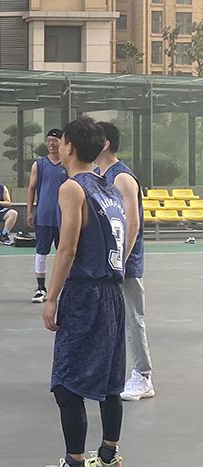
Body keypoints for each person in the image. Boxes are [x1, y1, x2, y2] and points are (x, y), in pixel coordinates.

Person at [43, 117, 127, 467]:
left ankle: (75, 460)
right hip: (113, 293)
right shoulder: (109, 187)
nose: (58, 147)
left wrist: (51, 297)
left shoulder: (72, 188)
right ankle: (108, 454)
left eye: (62, 141)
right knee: (110, 380)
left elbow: (67, 248)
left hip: (85, 293)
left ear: (70, 148)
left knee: (66, 382)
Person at [95, 122, 154, 402]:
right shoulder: (99, 175)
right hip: (106, 262)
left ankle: (143, 376)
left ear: (105, 143)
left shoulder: (122, 177)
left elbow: (132, 225)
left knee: (132, 318)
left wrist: (121, 262)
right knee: (107, 319)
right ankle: (105, 373)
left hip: (124, 264)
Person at [27, 129, 68, 303]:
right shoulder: (39, 164)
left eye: (55, 140)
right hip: (44, 216)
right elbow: (31, 188)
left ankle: (64, 288)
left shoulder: (67, 164)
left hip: (64, 217)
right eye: (48, 140)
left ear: (62, 142)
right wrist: (30, 211)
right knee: (41, 252)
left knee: (65, 253)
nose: (51, 143)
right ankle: (41, 288)